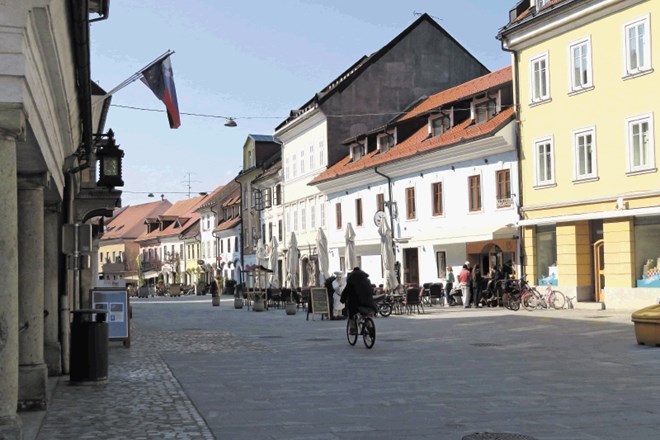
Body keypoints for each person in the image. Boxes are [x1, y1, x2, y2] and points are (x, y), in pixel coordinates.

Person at [340, 267, 377, 334]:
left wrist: (342, 300)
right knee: (366, 315)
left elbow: (346, 291)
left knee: (351, 313)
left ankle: (353, 328)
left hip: (356, 303)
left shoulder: (351, 280)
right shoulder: (367, 280)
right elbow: (371, 291)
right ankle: (370, 327)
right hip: (369, 302)